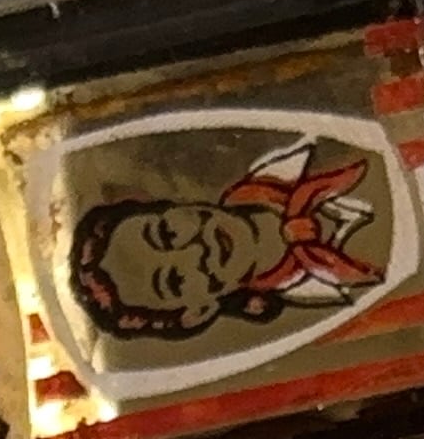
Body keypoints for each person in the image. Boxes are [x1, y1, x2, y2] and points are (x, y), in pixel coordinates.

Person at [66, 140, 380, 342]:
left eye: (167, 234)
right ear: (199, 312)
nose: (196, 253)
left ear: (175, 205)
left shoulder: (291, 149)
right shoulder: (338, 312)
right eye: (176, 280)